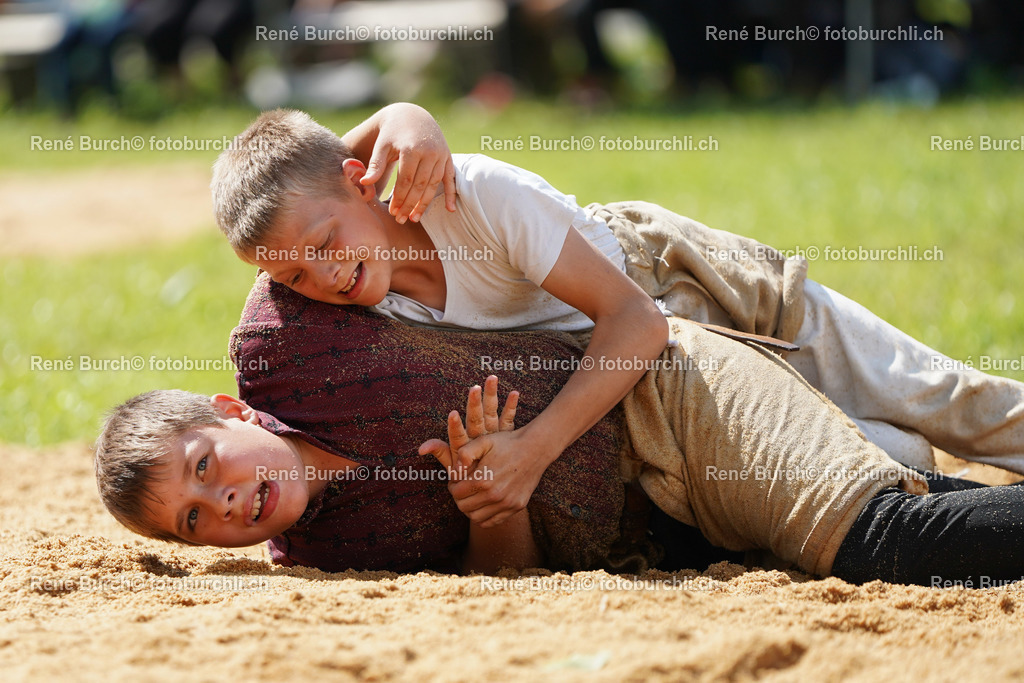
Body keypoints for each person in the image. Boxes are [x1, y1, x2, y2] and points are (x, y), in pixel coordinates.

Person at [209, 107, 1024, 532]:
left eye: (320, 245)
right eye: (293, 277)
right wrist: (399, 116)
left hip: (685, 288)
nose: (321, 278)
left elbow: (636, 321)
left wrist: (533, 450)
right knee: (891, 455)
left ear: (363, 180)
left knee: (942, 397)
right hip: (670, 389)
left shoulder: (478, 195)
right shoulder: (364, 288)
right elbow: (302, 194)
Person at [94, 274, 1024, 587]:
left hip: (664, 395)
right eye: (195, 520)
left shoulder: (282, 341)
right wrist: (491, 503)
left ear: (228, 411)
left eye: (204, 467)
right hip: (669, 529)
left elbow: (307, 193)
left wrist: (407, 122)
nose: (223, 503)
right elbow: (510, 584)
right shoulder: (322, 557)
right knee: (916, 504)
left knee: (884, 541)